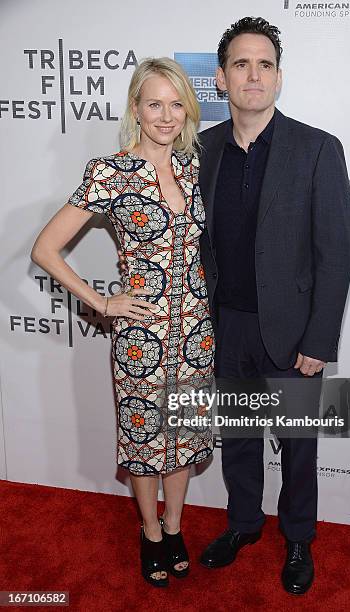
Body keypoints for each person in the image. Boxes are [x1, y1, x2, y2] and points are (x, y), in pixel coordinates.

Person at [31, 57, 215, 588]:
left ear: (188, 109)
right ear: (135, 108)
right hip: (143, 335)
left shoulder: (190, 166)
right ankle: (151, 532)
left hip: (195, 331)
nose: (166, 115)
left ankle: (176, 526)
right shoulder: (110, 171)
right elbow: (45, 248)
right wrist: (103, 303)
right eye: (154, 103)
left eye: (176, 103)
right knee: (144, 439)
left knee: (180, 434)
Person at [197, 17, 350, 595]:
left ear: (279, 77)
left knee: (297, 450)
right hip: (225, 327)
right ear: (221, 78)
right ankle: (243, 525)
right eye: (241, 63)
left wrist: (318, 342)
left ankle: (298, 540)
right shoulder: (203, 148)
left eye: (264, 63)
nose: (253, 74)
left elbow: (336, 253)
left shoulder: (316, 148)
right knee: (237, 438)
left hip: (290, 335)